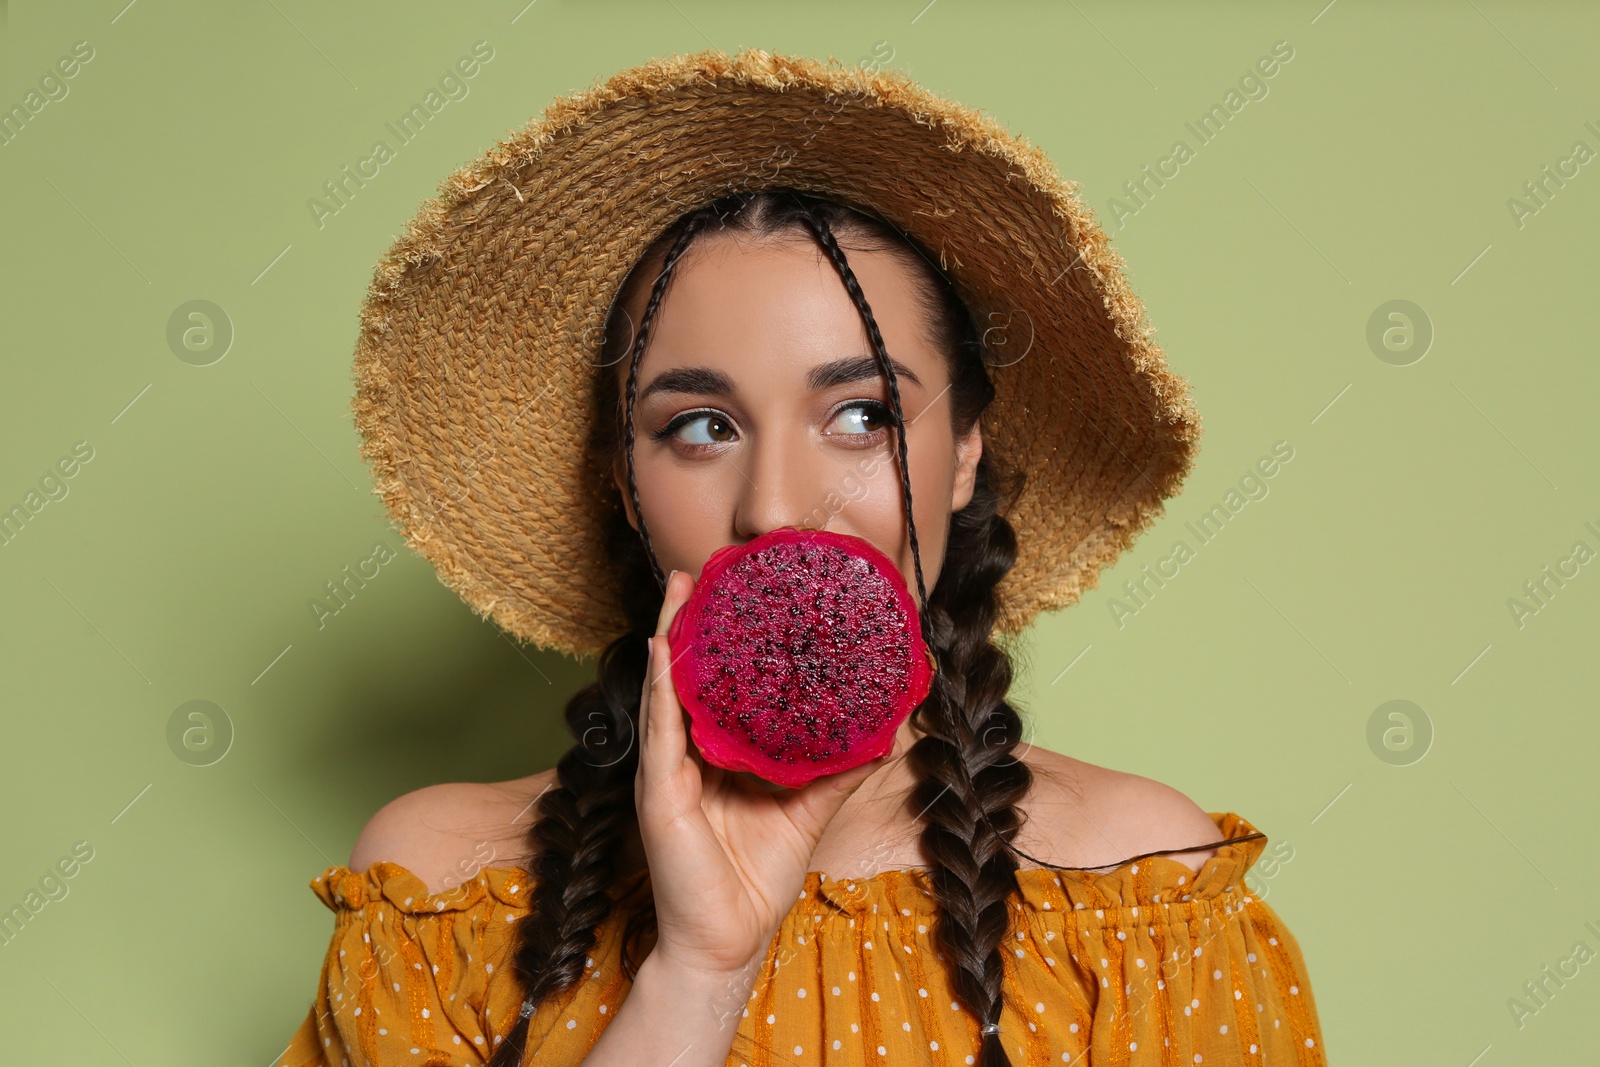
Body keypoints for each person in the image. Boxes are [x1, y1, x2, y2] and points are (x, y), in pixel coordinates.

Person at [276, 49, 1326, 1067]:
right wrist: (698, 970)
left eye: (861, 413)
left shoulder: (1136, 890)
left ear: (962, 454)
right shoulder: (440, 889)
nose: (775, 506)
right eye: (699, 426)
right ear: (622, 484)